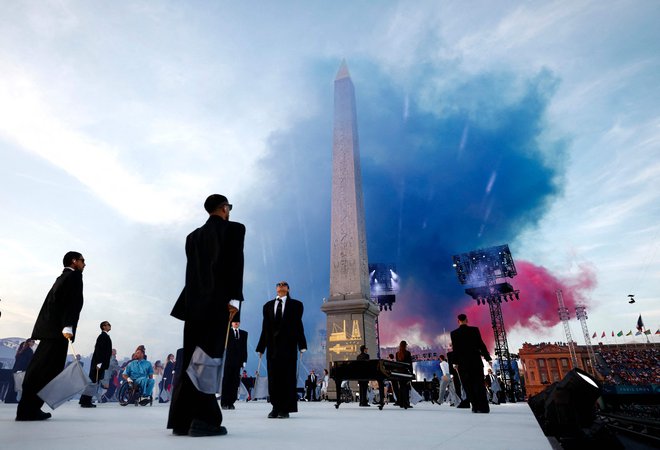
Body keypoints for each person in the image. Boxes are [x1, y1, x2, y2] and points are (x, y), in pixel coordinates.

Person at [167, 194, 245, 437]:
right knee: (208, 359)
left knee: (191, 359)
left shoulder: (192, 237)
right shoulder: (235, 229)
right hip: (216, 304)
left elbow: (194, 273)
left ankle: (182, 420)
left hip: (192, 306)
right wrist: (233, 300)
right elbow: (234, 264)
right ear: (224, 208)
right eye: (228, 207)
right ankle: (205, 419)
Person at [16, 251, 86, 421]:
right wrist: (67, 326)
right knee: (46, 371)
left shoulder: (62, 278)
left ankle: (26, 409)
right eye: (83, 261)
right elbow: (71, 303)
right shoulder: (74, 277)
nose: (85, 264)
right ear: (74, 261)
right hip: (58, 332)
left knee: (39, 369)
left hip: (50, 332)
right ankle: (30, 410)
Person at [256, 281, 307, 419]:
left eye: (284, 284)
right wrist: (261, 347)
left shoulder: (296, 305)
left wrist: (302, 344)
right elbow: (265, 328)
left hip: (288, 347)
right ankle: (275, 407)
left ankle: (285, 408)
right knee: (273, 379)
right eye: (278, 284)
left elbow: (298, 325)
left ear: (288, 289)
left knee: (287, 379)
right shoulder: (267, 306)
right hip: (272, 347)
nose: (281, 286)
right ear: (276, 289)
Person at [450, 313, 492, 414]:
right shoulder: (474, 330)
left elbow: (455, 350)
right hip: (475, 362)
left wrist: (455, 363)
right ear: (467, 320)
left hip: (463, 364)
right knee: (479, 384)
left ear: (458, 321)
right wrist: (487, 358)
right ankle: (484, 407)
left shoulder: (454, 333)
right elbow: (481, 344)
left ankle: (475, 406)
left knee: (467, 385)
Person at [79, 321, 112, 407]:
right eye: (108, 324)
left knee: (93, 382)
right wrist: (99, 363)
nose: (110, 326)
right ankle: (86, 401)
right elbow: (99, 351)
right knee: (93, 382)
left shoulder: (104, 336)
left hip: (99, 363)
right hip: (98, 364)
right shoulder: (102, 336)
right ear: (104, 327)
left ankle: (84, 400)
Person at [221, 321, 248, 410]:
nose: (236, 323)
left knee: (235, 382)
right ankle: (224, 402)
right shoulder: (227, 332)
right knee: (226, 381)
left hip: (238, 362)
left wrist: (244, 360)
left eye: (237, 322)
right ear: (231, 323)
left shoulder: (244, 334)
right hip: (228, 361)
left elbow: (244, 348)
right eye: (234, 322)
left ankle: (231, 402)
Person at [395, 341, 413, 409]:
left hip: (399, 373)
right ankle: (406, 403)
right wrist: (411, 373)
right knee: (406, 388)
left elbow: (397, 364)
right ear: (405, 345)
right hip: (406, 372)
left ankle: (401, 403)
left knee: (401, 388)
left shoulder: (397, 354)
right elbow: (410, 364)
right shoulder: (407, 353)